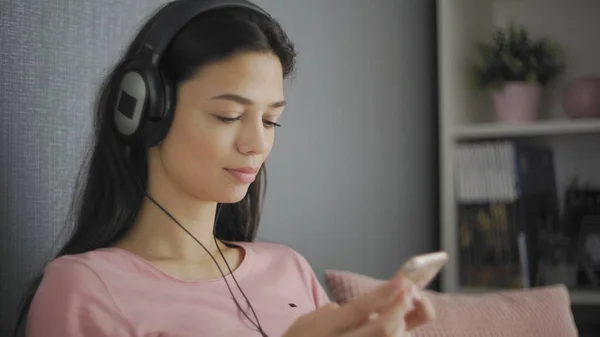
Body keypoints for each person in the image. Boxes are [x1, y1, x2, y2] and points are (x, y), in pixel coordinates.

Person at [15, 0, 436, 336]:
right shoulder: (83, 288)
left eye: (271, 121)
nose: (257, 144)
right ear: (146, 110)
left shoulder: (288, 268)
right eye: (230, 116)